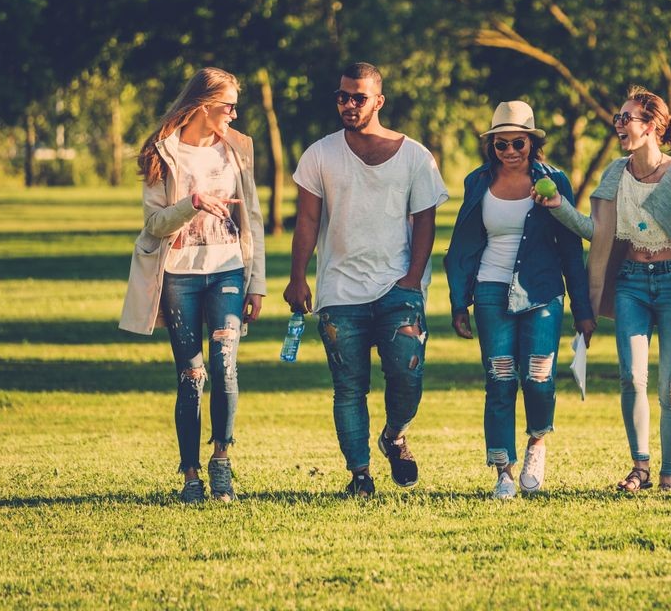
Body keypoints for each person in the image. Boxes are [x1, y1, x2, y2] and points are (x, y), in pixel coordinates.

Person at [535, 87, 671, 493]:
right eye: (617, 118)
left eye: (626, 118)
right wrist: (558, 209)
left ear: (651, 126)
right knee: (631, 378)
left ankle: (669, 476)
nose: (618, 124)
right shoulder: (615, 173)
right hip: (630, 285)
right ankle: (640, 468)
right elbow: (596, 232)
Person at [284, 62, 448, 498]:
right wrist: (297, 276)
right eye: (343, 96)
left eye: (359, 97)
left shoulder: (416, 156)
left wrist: (413, 278)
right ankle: (360, 475)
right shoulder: (320, 154)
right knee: (348, 387)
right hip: (339, 291)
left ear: (379, 101)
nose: (350, 104)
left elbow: (426, 221)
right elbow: (307, 219)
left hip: (399, 289)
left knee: (407, 378)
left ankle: (394, 436)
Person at [120, 67, 266, 503]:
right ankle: (190, 475)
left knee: (224, 364)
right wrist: (193, 203)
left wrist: (255, 282)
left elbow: (251, 216)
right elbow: (153, 224)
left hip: (226, 271)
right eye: (229, 106)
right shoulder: (163, 153)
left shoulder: (237, 150)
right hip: (179, 275)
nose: (235, 115)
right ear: (204, 107)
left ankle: (221, 462)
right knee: (191, 375)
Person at [445, 101, 596, 500]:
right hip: (490, 289)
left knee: (538, 376)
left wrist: (583, 310)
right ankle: (503, 472)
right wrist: (460, 303)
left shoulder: (554, 180)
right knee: (500, 379)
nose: (510, 151)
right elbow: (463, 244)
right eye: (501, 144)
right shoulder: (477, 182)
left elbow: (570, 247)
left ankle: (537, 444)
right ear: (491, 146)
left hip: (542, 289)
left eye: (518, 143)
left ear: (532, 143)